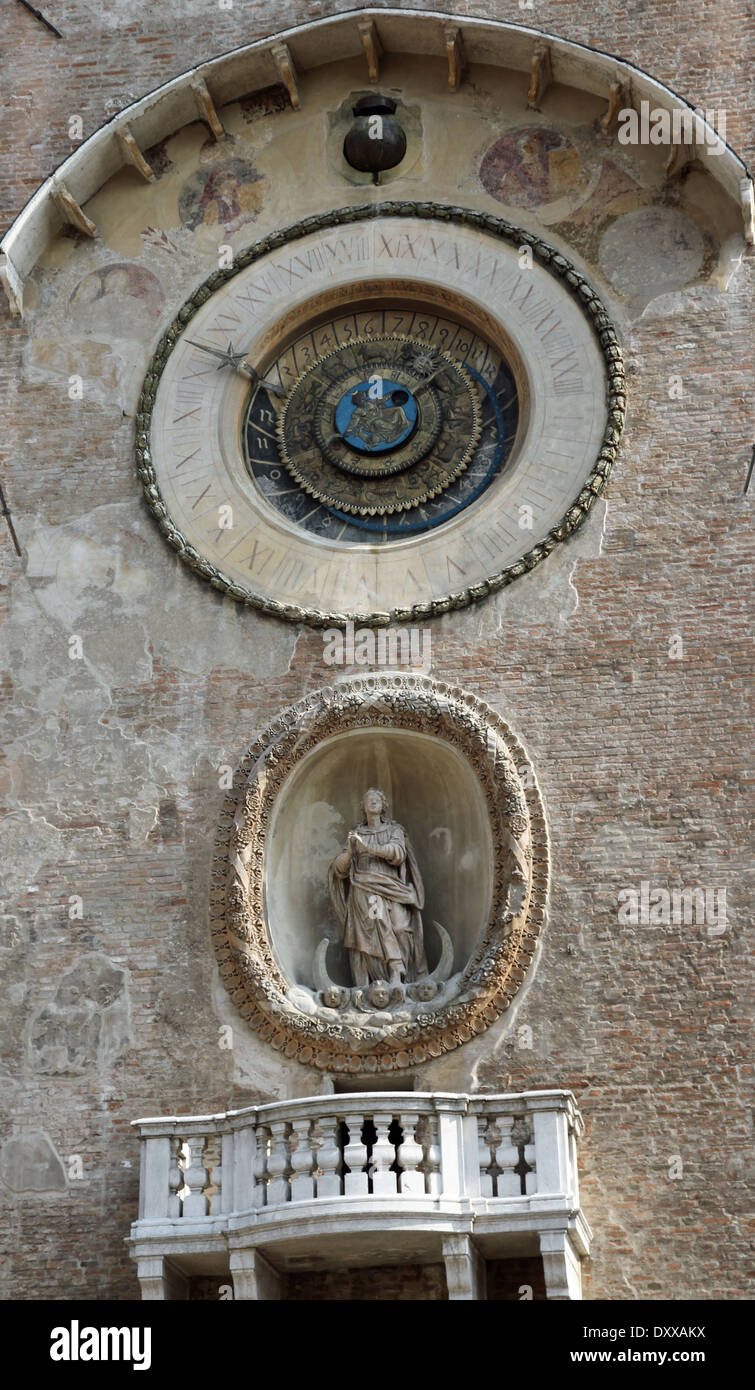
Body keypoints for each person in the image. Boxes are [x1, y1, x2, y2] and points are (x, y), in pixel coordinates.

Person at [328, 788, 428, 987]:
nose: (372, 802)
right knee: (370, 930)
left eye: (377, 799)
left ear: (384, 806)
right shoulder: (357, 833)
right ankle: (388, 974)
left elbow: (398, 853)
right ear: (363, 807)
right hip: (364, 888)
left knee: (401, 928)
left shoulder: (394, 830)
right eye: (368, 800)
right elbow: (340, 868)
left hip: (393, 887)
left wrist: (369, 849)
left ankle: (405, 978)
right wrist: (350, 852)